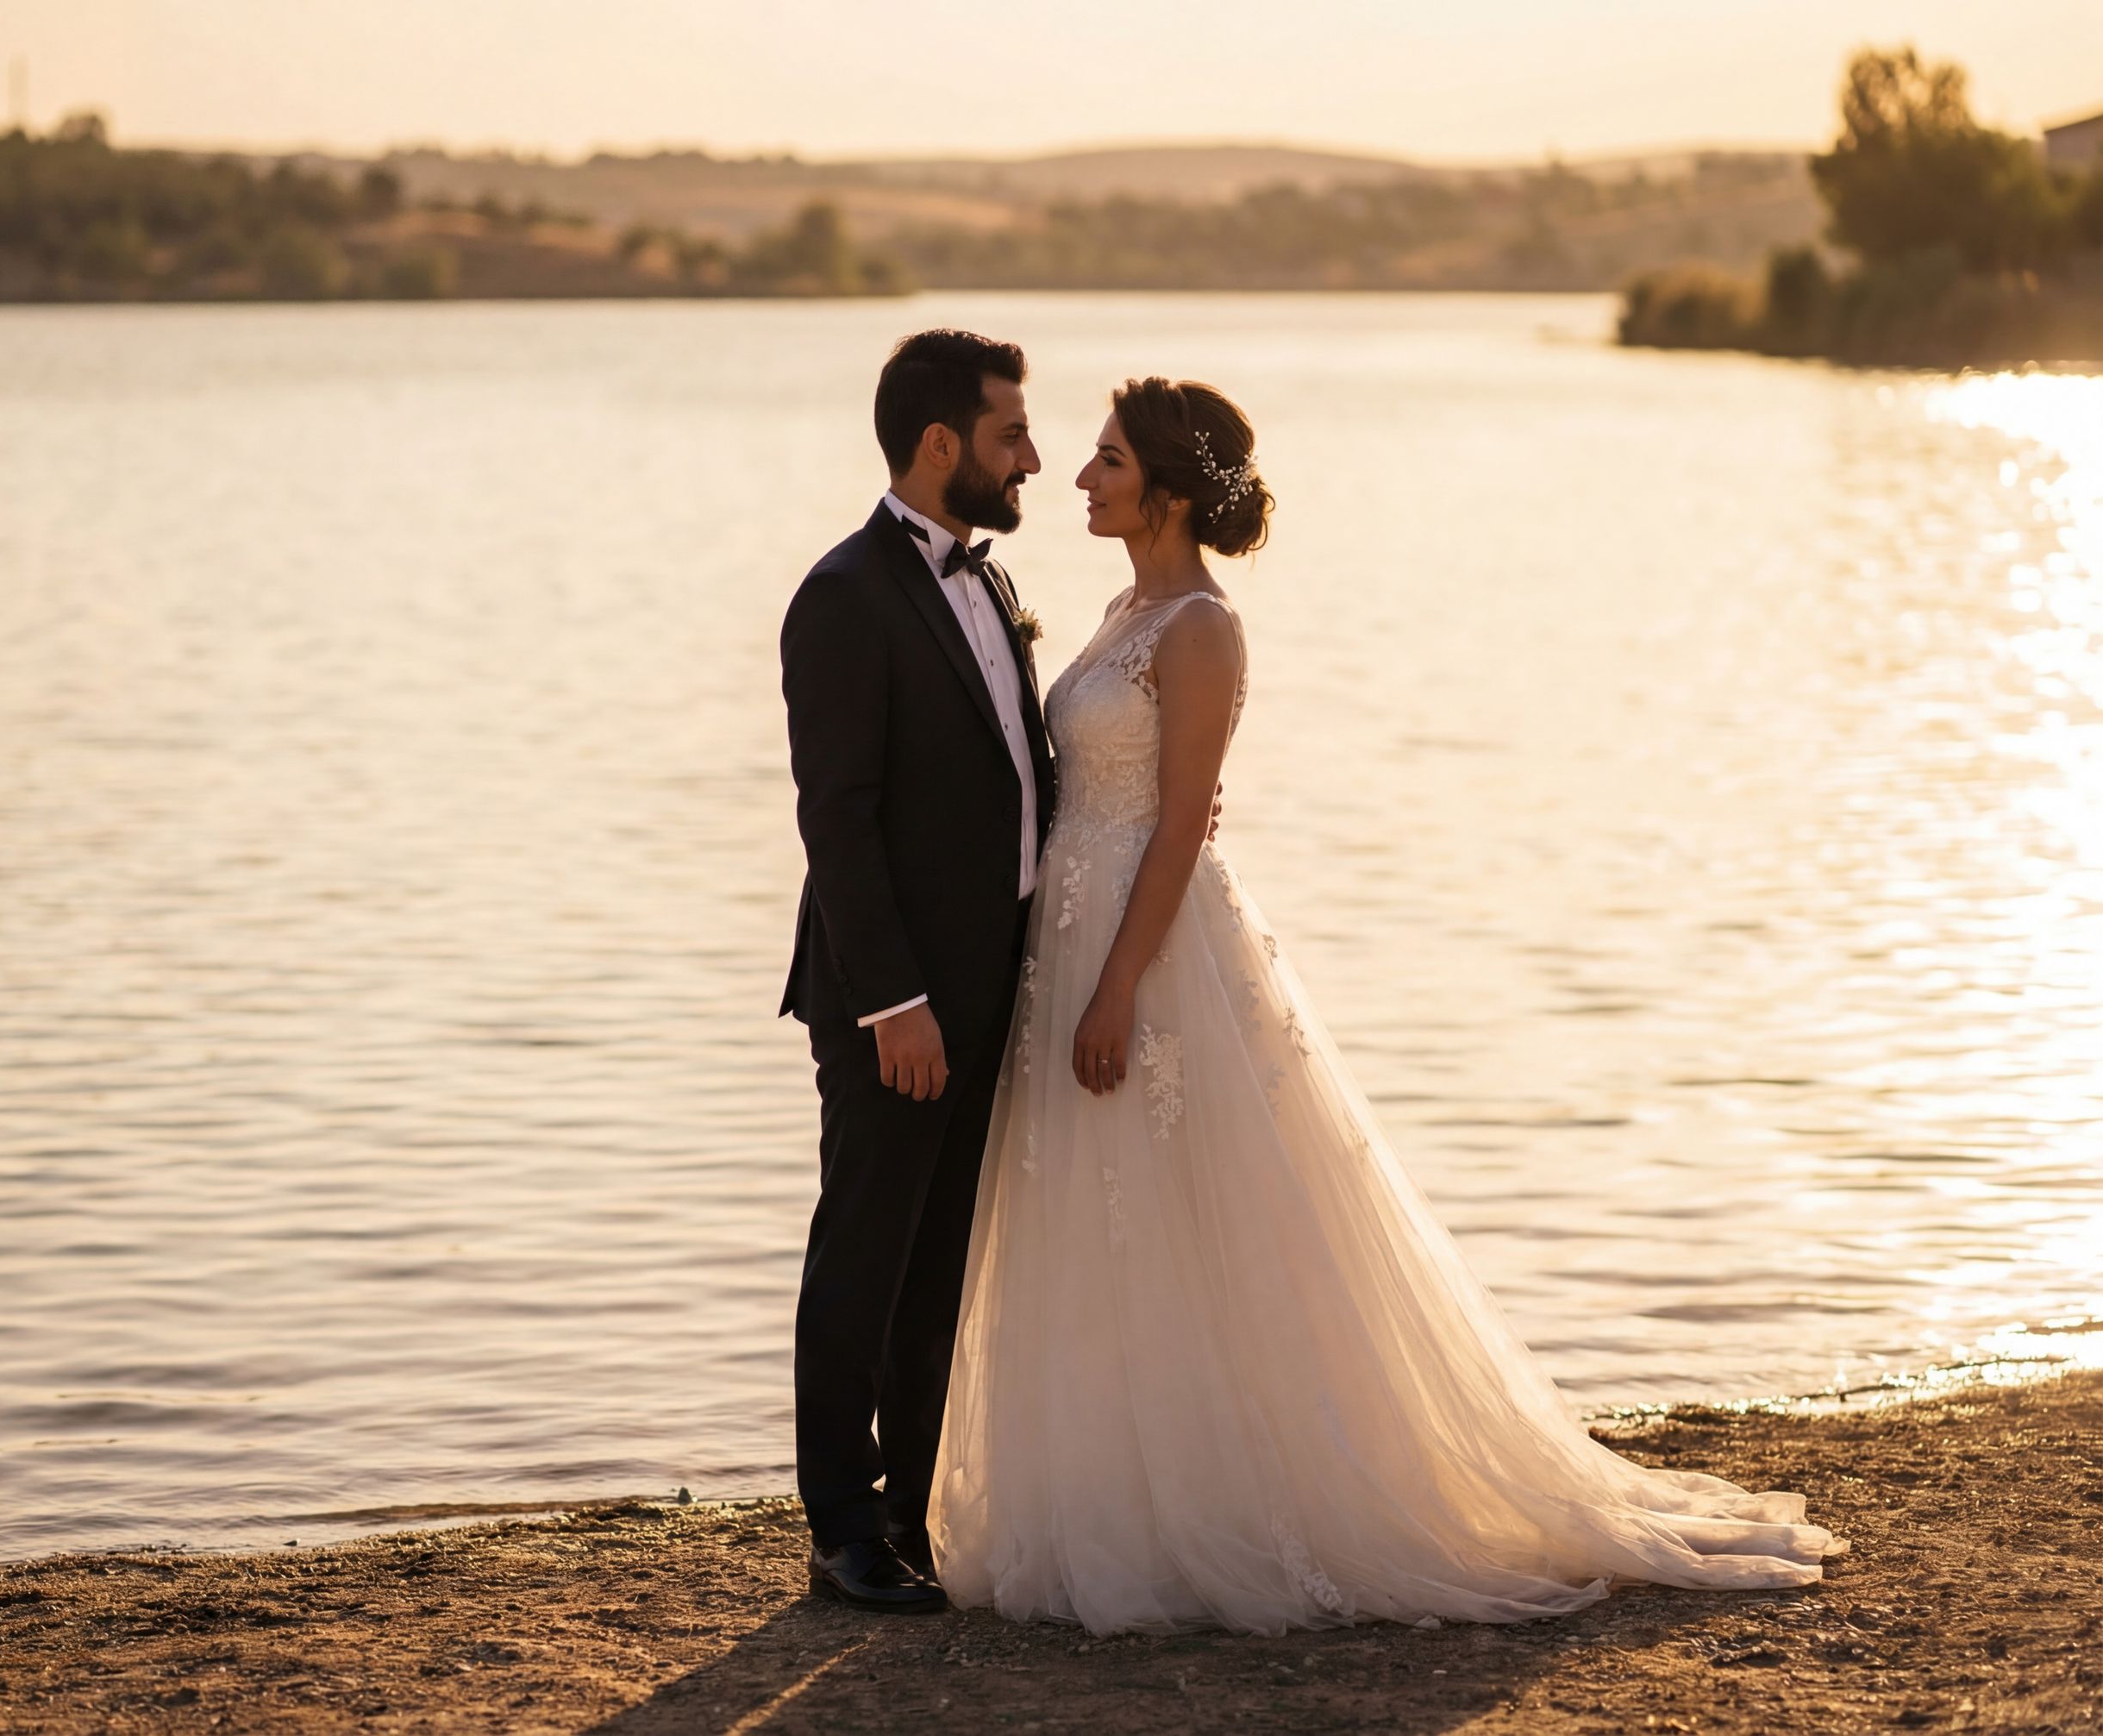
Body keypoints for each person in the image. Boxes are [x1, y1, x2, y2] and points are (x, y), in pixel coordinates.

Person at [926, 376, 1838, 1636]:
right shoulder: (1122, 605)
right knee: (1106, 1220)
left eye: (1108, 460)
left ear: (1171, 493)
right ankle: (1108, 1487)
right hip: (1070, 935)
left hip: (1148, 945)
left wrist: (1119, 982)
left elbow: (1183, 819)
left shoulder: (1199, 626)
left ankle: (1232, 1498)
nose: (1081, 477)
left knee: (1186, 1212)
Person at [777, 329, 1054, 1612]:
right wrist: (896, 1003)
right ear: (941, 444)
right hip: (896, 1003)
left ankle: (914, 1508)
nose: (1032, 460)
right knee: (866, 1249)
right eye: (1010, 435)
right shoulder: (842, 596)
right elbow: (836, 814)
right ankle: (841, 1524)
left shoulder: (991, 588)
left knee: (939, 1259)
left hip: (992, 987)